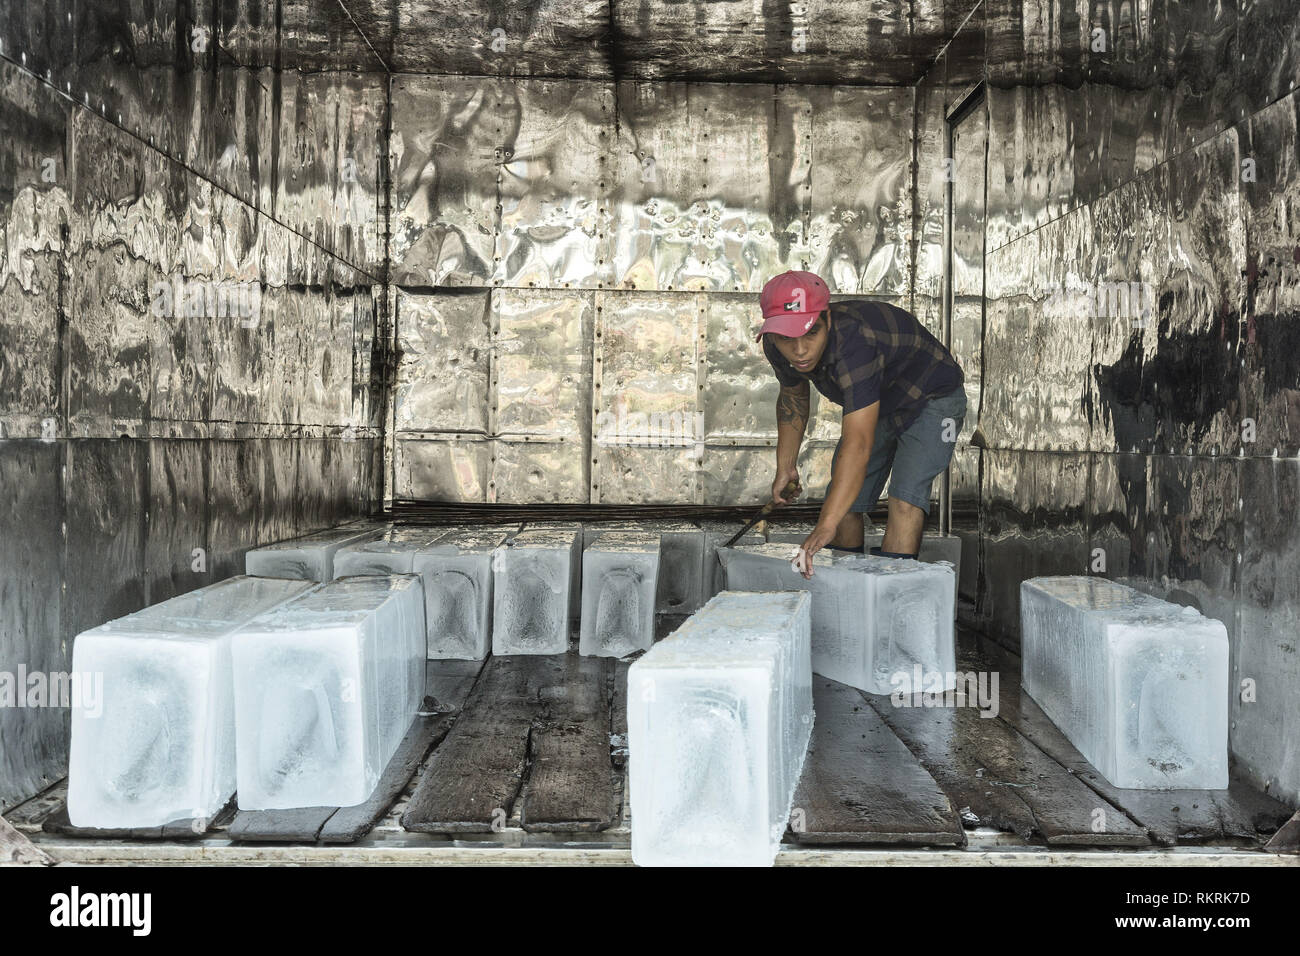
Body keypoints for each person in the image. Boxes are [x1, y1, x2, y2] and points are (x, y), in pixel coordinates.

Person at [757, 270, 967, 579]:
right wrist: (785, 465)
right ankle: (848, 598)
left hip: (934, 398)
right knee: (843, 505)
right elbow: (793, 396)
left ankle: (889, 601)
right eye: (787, 338)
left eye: (810, 332)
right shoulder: (774, 344)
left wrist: (824, 525)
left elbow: (858, 445)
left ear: (826, 319)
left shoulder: (855, 343)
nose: (799, 350)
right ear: (772, 331)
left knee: (905, 498)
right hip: (882, 402)